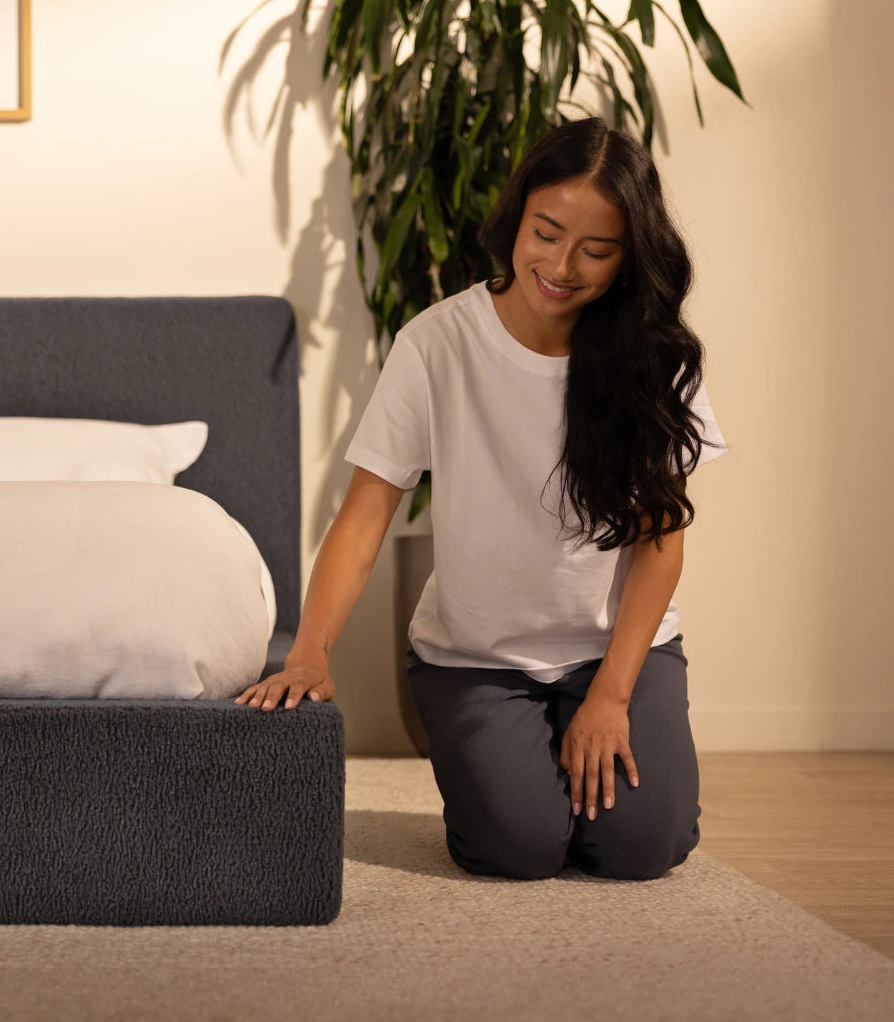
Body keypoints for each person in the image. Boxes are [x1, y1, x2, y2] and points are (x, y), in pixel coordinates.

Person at [236, 116, 728, 882]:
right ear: (516, 216)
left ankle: (577, 752)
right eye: (546, 232)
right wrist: (310, 652)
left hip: (617, 650)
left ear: (630, 257)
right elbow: (366, 518)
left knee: (642, 849)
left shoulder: (655, 356)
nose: (562, 265)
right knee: (518, 849)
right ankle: (514, 778)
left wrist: (610, 696)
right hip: (478, 660)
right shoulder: (437, 344)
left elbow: (661, 539)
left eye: (596, 250)